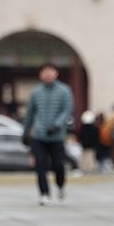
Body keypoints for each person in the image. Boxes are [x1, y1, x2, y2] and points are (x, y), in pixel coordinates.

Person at [23, 63, 75, 205]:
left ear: (56, 73)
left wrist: (57, 125)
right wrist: (25, 132)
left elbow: (67, 110)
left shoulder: (64, 91)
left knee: (58, 165)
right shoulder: (35, 92)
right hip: (39, 135)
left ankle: (60, 185)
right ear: (40, 75)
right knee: (40, 165)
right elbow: (30, 114)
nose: (47, 74)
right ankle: (44, 193)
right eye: (44, 72)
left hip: (57, 136)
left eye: (50, 71)